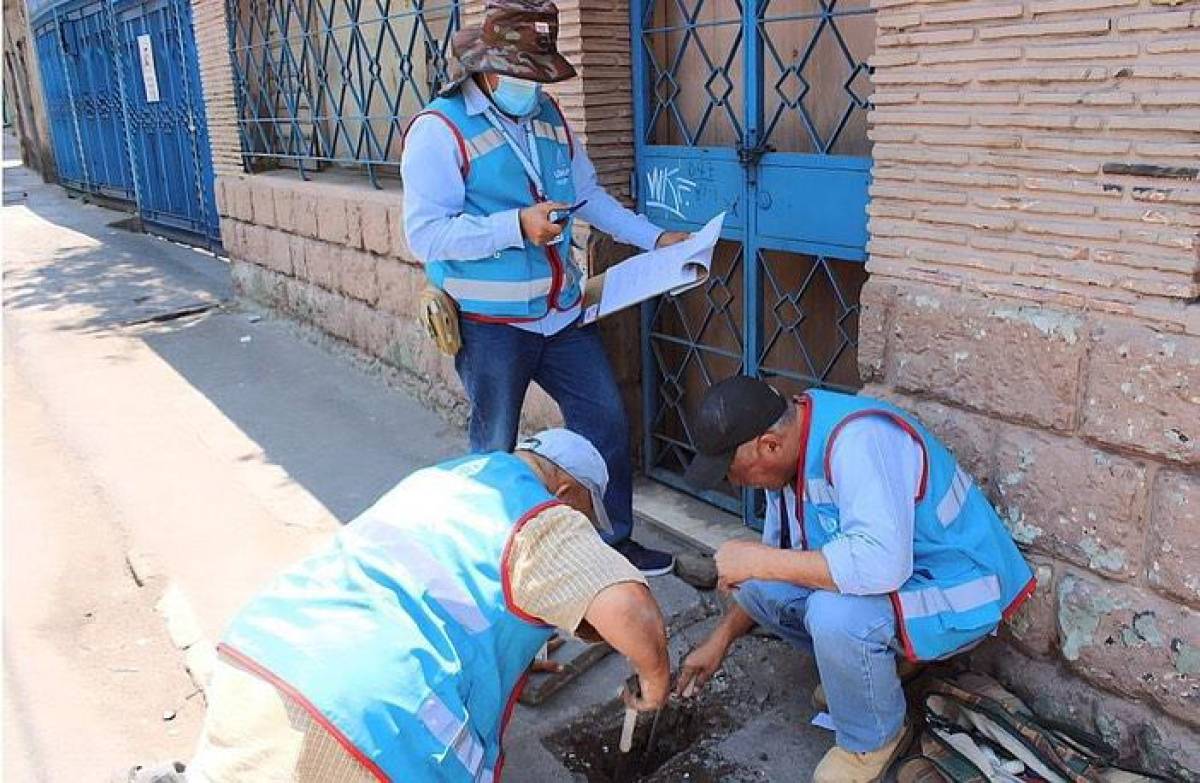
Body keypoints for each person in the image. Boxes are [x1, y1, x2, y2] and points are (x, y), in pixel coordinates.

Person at [121, 430, 670, 782]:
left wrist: (514, 652)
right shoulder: (541, 515)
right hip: (362, 723)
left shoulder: (447, 479)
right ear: (570, 493)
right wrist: (653, 676)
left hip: (263, 655)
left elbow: (439, 581)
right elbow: (632, 611)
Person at [401, 0, 688, 576]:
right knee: (495, 450)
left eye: (538, 73)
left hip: (561, 317)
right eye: (522, 74)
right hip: (490, 327)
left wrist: (655, 240)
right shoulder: (439, 130)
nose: (531, 86)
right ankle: (499, 568)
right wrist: (515, 226)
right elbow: (425, 236)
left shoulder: (549, 116)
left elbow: (589, 198)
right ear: (486, 67)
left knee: (605, 421)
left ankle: (614, 545)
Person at [673, 377, 1036, 783]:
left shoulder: (858, 441)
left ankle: (873, 739)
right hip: (907, 585)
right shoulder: (786, 459)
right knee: (756, 586)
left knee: (834, 615)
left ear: (769, 445)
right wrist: (718, 641)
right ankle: (871, 677)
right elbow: (782, 566)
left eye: (733, 473)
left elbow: (882, 565)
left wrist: (759, 559)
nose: (735, 483)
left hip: (963, 588)